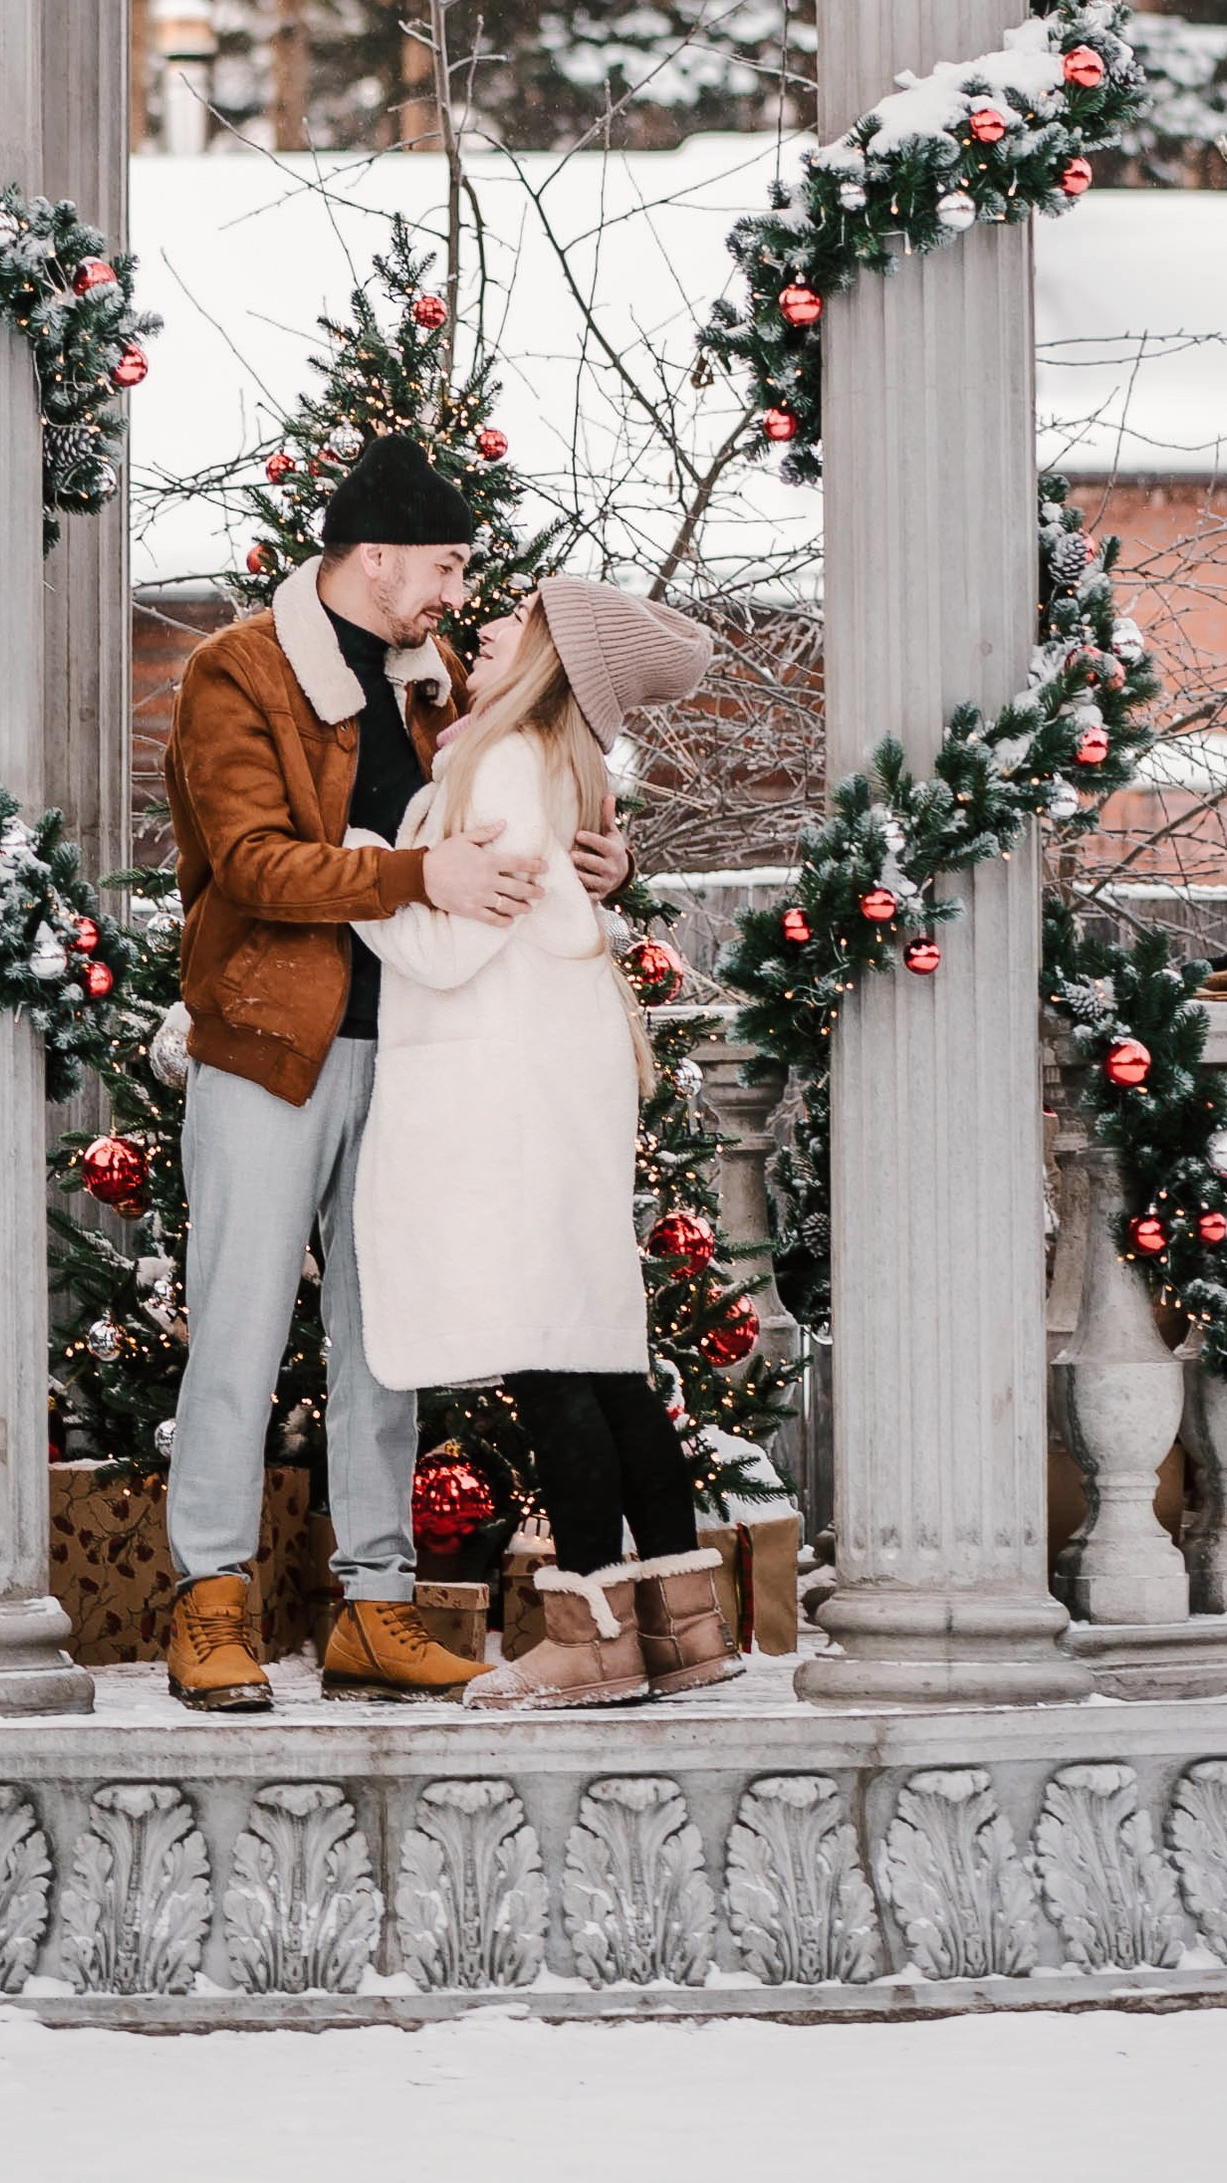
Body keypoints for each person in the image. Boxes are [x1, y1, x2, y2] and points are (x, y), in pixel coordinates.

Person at [159, 433, 638, 1712]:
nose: (455, 592)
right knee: (244, 1325)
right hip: (272, 1044)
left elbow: (516, 798)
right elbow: (255, 862)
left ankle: (374, 1606)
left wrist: (606, 862)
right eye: (442, 564)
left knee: (389, 1334)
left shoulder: (432, 686)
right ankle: (211, 1600)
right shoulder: (236, 672)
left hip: (422, 1056)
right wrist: (414, 875)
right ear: (373, 558)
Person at [354, 576, 741, 1709]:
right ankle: (682, 1623)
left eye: (512, 616)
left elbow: (446, 944)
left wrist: (367, 867)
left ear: (549, 653)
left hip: (503, 1086)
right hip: (553, 1078)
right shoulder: (543, 759)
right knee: (597, 1346)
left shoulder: (504, 760)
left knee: (545, 1347)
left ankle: (589, 1631)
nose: (484, 623)